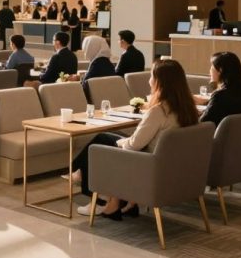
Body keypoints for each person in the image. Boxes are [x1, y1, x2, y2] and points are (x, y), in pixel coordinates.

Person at [72, 59, 199, 218]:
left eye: (152, 76)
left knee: (99, 145)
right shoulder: (188, 109)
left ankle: (93, 193)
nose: (149, 80)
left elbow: (133, 146)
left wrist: (119, 143)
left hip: (146, 163)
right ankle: (84, 176)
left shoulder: (159, 111)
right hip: (169, 164)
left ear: (161, 82)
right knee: (104, 137)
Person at [199, 52, 241, 127]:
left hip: (214, 137)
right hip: (237, 137)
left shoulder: (219, 96)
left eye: (212, 66)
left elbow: (202, 123)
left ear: (220, 70)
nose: (209, 70)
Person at [80, 36, 116, 103]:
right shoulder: (106, 62)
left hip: (94, 103)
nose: (85, 51)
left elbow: (84, 86)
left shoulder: (96, 64)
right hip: (107, 100)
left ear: (91, 48)